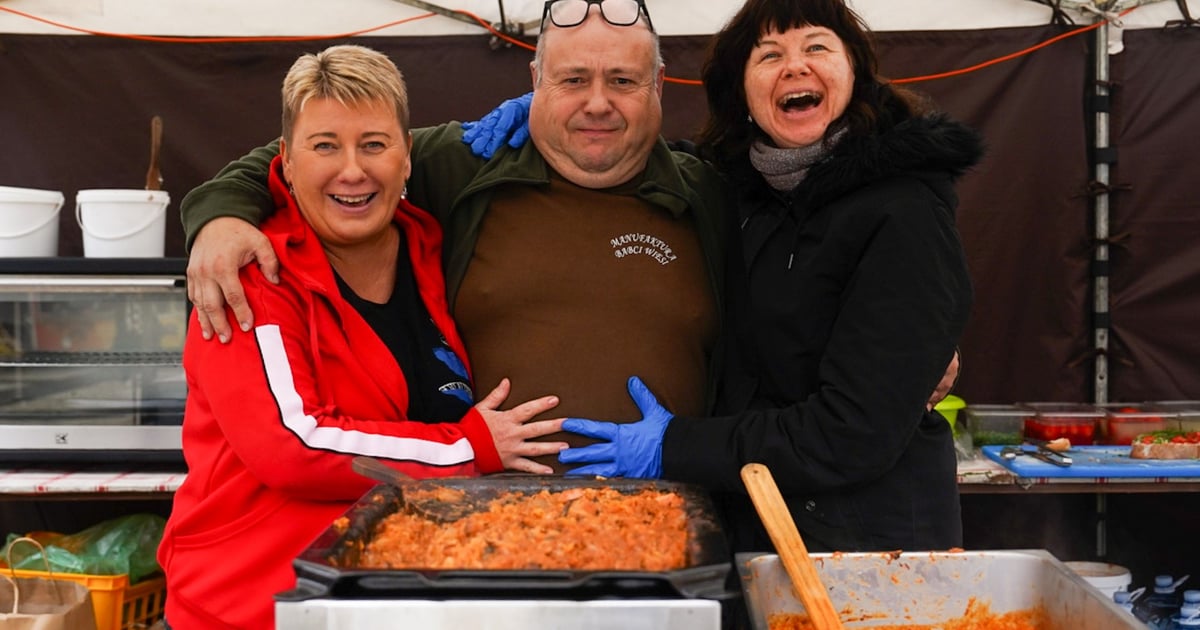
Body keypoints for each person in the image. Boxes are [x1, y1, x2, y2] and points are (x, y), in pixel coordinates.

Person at [177, 0, 730, 473]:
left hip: (671, 521)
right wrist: (221, 216)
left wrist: (689, 452)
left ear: (658, 83)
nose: (597, 102)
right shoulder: (468, 161)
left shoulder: (709, 193)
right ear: (535, 80)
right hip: (482, 525)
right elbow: (320, 154)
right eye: (573, 79)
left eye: (623, 80)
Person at [157, 45, 569, 630]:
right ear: (288, 163)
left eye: (374, 144)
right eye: (325, 145)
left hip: (383, 602)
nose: (352, 170)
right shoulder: (251, 275)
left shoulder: (434, 251)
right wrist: (471, 447)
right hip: (253, 607)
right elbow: (292, 444)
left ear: (408, 160)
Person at [553, 0, 982, 554]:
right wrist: (543, 113)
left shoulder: (904, 211)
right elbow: (630, 153)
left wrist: (674, 445)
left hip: (869, 546)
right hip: (754, 528)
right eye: (770, 54)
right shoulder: (737, 195)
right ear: (744, 94)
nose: (795, 67)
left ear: (855, 72)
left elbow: (851, 433)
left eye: (817, 48)